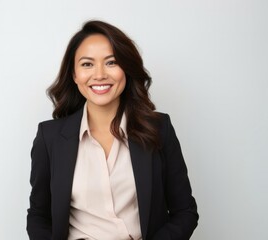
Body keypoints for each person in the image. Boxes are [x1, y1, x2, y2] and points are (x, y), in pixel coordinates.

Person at [26, 20, 198, 240]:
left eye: (111, 62)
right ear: (74, 74)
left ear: (126, 68)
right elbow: (39, 215)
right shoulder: (49, 137)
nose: (99, 75)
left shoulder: (158, 129)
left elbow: (185, 212)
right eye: (87, 64)